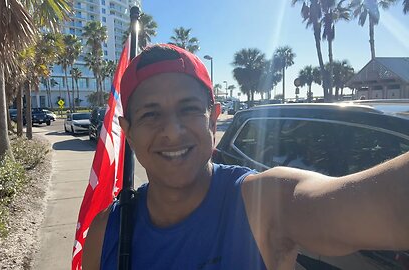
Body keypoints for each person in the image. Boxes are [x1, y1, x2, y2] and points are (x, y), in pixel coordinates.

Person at [82, 44, 409, 270]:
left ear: (213, 120)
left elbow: (378, 205)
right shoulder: (106, 231)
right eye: (151, 115)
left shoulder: (262, 204)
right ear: (127, 131)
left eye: (189, 109)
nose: (172, 131)